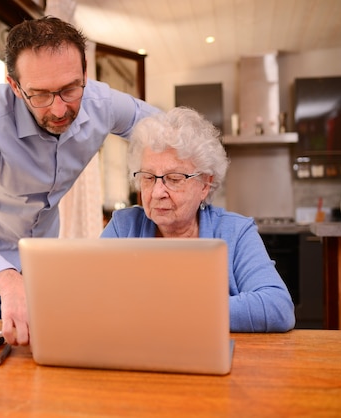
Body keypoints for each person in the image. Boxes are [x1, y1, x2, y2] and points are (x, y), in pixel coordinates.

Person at [0, 16, 161, 346]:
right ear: (14, 85)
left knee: (47, 356)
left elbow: (170, 132)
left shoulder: (101, 102)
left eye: (70, 89)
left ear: (85, 74)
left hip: (42, 259)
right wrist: (7, 280)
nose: (58, 109)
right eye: (39, 95)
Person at [100, 107, 296, 332]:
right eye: (148, 178)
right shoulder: (123, 227)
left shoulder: (235, 232)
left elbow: (277, 308)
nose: (156, 192)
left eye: (174, 178)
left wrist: (178, 310)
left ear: (205, 184)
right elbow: (90, 297)